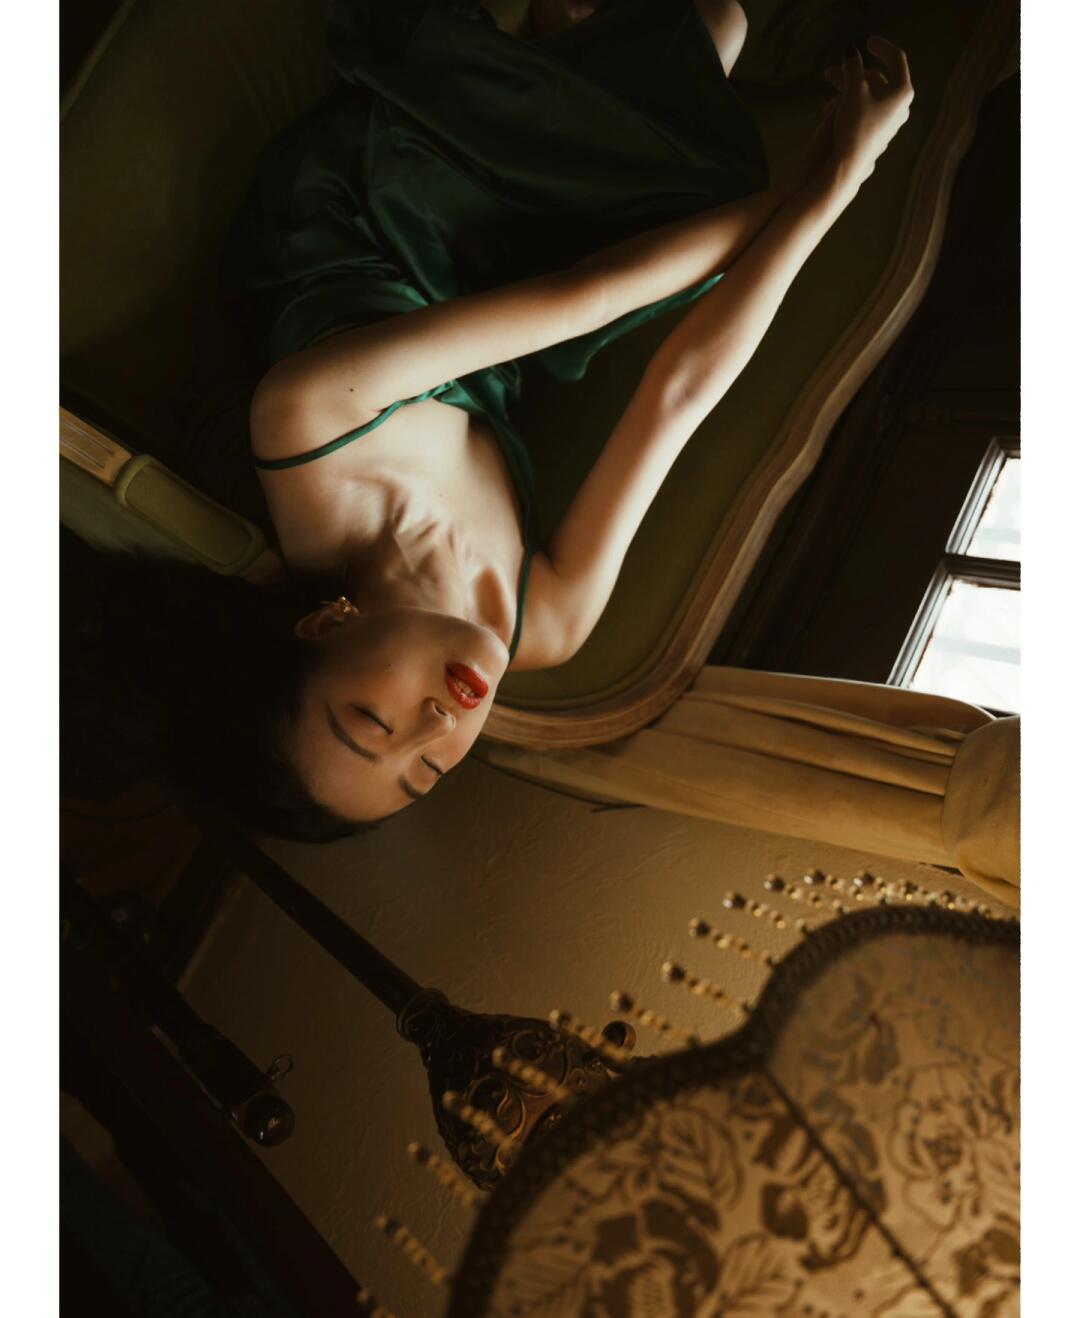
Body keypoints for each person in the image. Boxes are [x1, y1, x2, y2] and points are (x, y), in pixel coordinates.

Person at [64, 0, 913, 841]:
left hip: (383, 205)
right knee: (708, 45)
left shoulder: (307, 426)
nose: (438, 725)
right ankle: (566, 40)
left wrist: (829, 175)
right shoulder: (544, 626)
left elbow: (587, 298)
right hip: (505, 287)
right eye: (426, 771)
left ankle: (556, 45)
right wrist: (836, 181)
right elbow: (678, 396)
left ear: (325, 625)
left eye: (374, 721)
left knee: (711, 68)